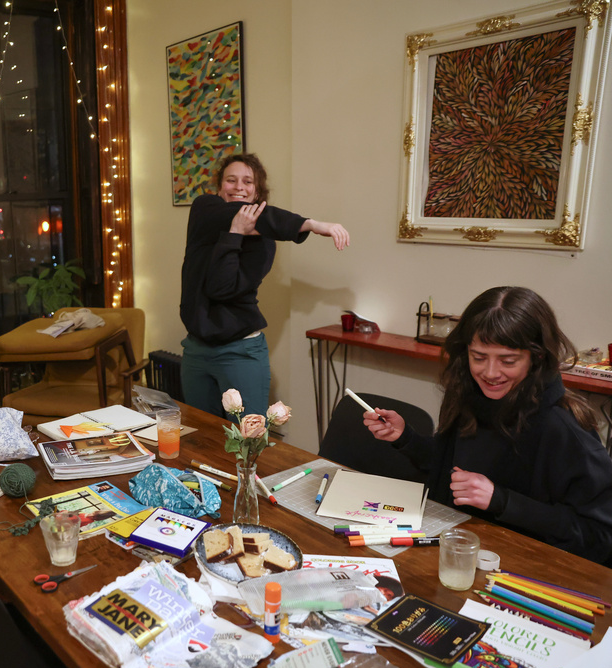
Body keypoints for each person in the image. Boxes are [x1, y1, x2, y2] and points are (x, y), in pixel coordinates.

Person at [362, 286, 612, 564]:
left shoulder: (563, 428)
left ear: (537, 357)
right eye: (478, 357)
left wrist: (502, 501)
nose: (490, 373)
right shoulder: (470, 394)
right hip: (462, 549)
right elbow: (451, 469)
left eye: (508, 360)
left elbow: (600, 536)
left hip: (527, 570)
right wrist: (405, 437)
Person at [179, 152, 349, 417]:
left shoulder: (263, 242)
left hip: (239, 350)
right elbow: (233, 214)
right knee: (201, 438)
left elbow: (221, 289)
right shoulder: (204, 210)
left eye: (248, 182)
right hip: (195, 350)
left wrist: (235, 234)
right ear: (219, 186)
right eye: (231, 180)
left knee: (247, 440)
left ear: (257, 191)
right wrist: (310, 225)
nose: (238, 187)